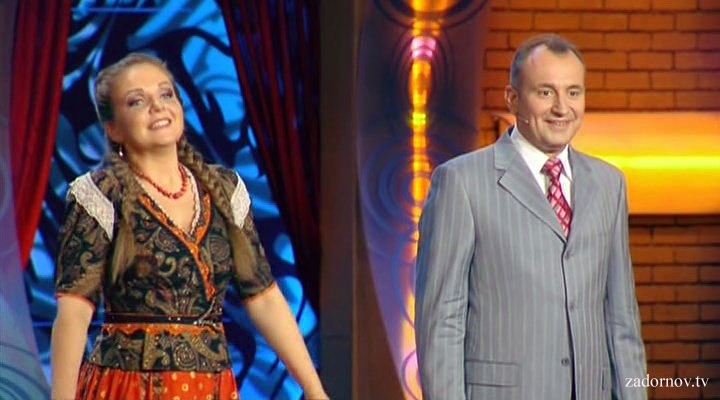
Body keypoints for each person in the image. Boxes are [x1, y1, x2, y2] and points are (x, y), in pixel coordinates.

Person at [50, 52, 329, 400]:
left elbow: (264, 297)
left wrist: (314, 391)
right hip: (130, 386)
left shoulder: (224, 188)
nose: (157, 106)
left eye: (165, 94)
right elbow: (74, 312)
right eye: (137, 101)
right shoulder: (101, 194)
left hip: (209, 386)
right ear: (113, 128)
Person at [414, 34, 647, 400]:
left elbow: (622, 321)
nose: (562, 108)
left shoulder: (609, 184)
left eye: (573, 92)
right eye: (545, 92)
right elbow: (441, 322)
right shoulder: (461, 183)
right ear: (513, 99)